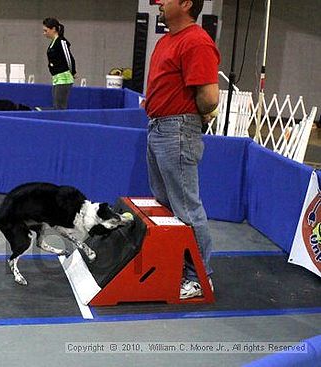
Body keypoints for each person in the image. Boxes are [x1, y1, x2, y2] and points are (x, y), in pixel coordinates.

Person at [144, 0, 220, 299]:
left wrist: (190, 117)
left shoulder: (196, 41)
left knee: (186, 208)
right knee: (167, 204)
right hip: (160, 127)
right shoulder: (168, 40)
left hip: (176, 129)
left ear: (186, 4)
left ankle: (201, 277)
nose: (160, 3)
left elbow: (209, 98)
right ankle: (179, 267)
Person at [42, 17, 76, 110]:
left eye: (46, 30)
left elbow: (69, 58)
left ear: (53, 29)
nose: (44, 33)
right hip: (56, 78)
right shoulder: (53, 42)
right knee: (57, 105)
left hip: (64, 78)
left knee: (60, 107)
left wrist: (73, 72)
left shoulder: (61, 42)